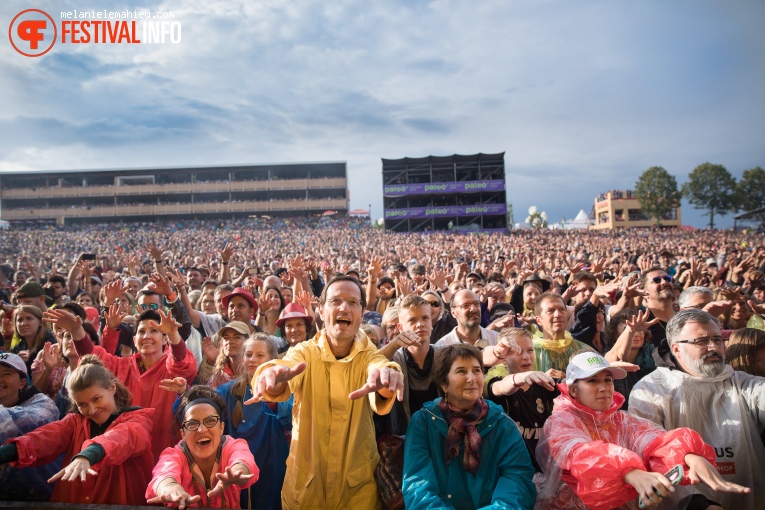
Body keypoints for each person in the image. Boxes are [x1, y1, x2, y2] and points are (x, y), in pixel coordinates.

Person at [249, 275, 404, 509]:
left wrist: (387, 376)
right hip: (306, 490)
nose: (344, 307)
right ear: (320, 310)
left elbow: (380, 367)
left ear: (362, 314)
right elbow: (287, 367)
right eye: (336, 301)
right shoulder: (305, 351)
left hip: (356, 491)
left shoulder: (369, 355)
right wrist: (272, 373)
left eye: (353, 302)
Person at [535, 352, 746, 510]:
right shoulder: (561, 422)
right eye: (592, 381)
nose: (604, 387)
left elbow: (653, 439)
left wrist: (689, 456)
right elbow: (580, 453)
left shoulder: (621, 420)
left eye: (607, 380)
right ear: (573, 389)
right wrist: (629, 473)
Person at [629, 309, 764, 510]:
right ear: (676, 349)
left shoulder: (743, 383)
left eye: (717, 340)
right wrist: (696, 503)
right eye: (701, 341)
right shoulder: (652, 389)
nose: (713, 347)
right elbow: (648, 448)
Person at [44, 307, 197, 462]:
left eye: (154, 331)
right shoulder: (121, 365)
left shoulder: (172, 367)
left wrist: (173, 334)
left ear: (165, 340)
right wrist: (77, 331)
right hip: (125, 450)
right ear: (134, 339)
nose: (147, 336)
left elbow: (182, 363)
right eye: (141, 331)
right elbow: (93, 357)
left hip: (165, 450)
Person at [1, 355, 155, 505]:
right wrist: (7, 452)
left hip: (120, 500)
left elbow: (122, 437)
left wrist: (87, 455)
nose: (92, 410)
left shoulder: (138, 419)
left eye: (96, 399)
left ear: (112, 388)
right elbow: (44, 438)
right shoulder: (74, 423)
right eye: (82, 404)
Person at [402, 344, 536, 509]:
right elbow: (418, 485)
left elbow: (518, 479)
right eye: (461, 371)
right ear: (444, 384)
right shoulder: (424, 422)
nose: (472, 378)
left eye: (477, 370)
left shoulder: (501, 423)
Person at [146, 386, 258, 509]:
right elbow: (163, 475)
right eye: (192, 424)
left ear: (221, 427)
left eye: (210, 421)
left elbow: (243, 460)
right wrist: (171, 488)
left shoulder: (233, 446)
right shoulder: (174, 455)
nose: (202, 430)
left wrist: (236, 473)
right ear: (182, 433)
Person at [217, 334, 292, 510]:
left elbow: (291, 419)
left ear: (272, 360)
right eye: (248, 354)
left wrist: (272, 398)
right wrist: (184, 390)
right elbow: (205, 406)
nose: (252, 360)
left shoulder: (284, 390)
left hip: (273, 464)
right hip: (236, 467)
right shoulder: (229, 390)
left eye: (260, 355)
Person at [485, 327, 564, 472]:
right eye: (518, 352)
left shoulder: (546, 384)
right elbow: (501, 387)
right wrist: (519, 378)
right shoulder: (497, 383)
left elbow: (576, 387)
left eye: (529, 350)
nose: (526, 357)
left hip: (546, 472)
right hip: (513, 472)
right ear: (503, 361)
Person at [0, 352, 60, 501]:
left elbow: (30, 421)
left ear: (21, 383)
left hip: (39, 495)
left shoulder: (43, 404)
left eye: (6, 373)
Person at [604, 309, 659, 407]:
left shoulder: (654, 354)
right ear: (614, 334)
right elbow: (619, 356)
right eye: (626, 329)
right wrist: (630, 330)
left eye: (639, 329)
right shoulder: (608, 356)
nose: (636, 334)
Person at [532, 292, 594, 372]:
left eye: (562, 310)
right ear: (539, 320)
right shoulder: (530, 352)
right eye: (550, 311)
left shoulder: (582, 349)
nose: (558, 315)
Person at [435, 289, 499, 347]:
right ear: (453, 313)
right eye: (465, 306)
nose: (473, 309)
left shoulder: (497, 340)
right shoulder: (443, 345)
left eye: (476, 304)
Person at [197, 321, 249, 388]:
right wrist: (212, 362)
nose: (230, 342)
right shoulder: (219, 374)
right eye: (226, 338)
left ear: (248, 341)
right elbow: (204, 390)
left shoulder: (253, 369)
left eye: (237, 337)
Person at [11, 304, 57, 372]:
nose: (23, 323)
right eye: (20, 320)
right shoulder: (16, 350)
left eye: (29, 318)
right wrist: (16, 361)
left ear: (40, 322)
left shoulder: (51, 345)